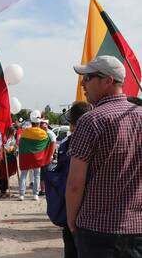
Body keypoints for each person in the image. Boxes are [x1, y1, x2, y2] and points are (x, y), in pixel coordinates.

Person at [66, 55, 142, 257]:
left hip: (97, 231)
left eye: (89, 77)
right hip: (137, 230)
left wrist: (71, 220)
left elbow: (75, 183)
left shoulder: (91, 120)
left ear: (108, 80)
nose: (83, 83)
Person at [45, 101, 92, 258]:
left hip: (71, 206)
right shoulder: (96, 137)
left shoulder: (68, 143)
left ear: (72, 123)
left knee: (71, 248)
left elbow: (72, 183)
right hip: (93, 208)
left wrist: (70, 219)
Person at [38, 118, 57, 196]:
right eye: (41, 125)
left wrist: (51, 155)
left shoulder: (50, 134)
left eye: (43, 125)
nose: (42, 126)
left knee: (48, 173)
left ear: (46, 126)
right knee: (42, 174)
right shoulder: (40, 133)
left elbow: (53, 145)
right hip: (41, 157)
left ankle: (47, 189)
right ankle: (43, 190)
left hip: (48, 157)